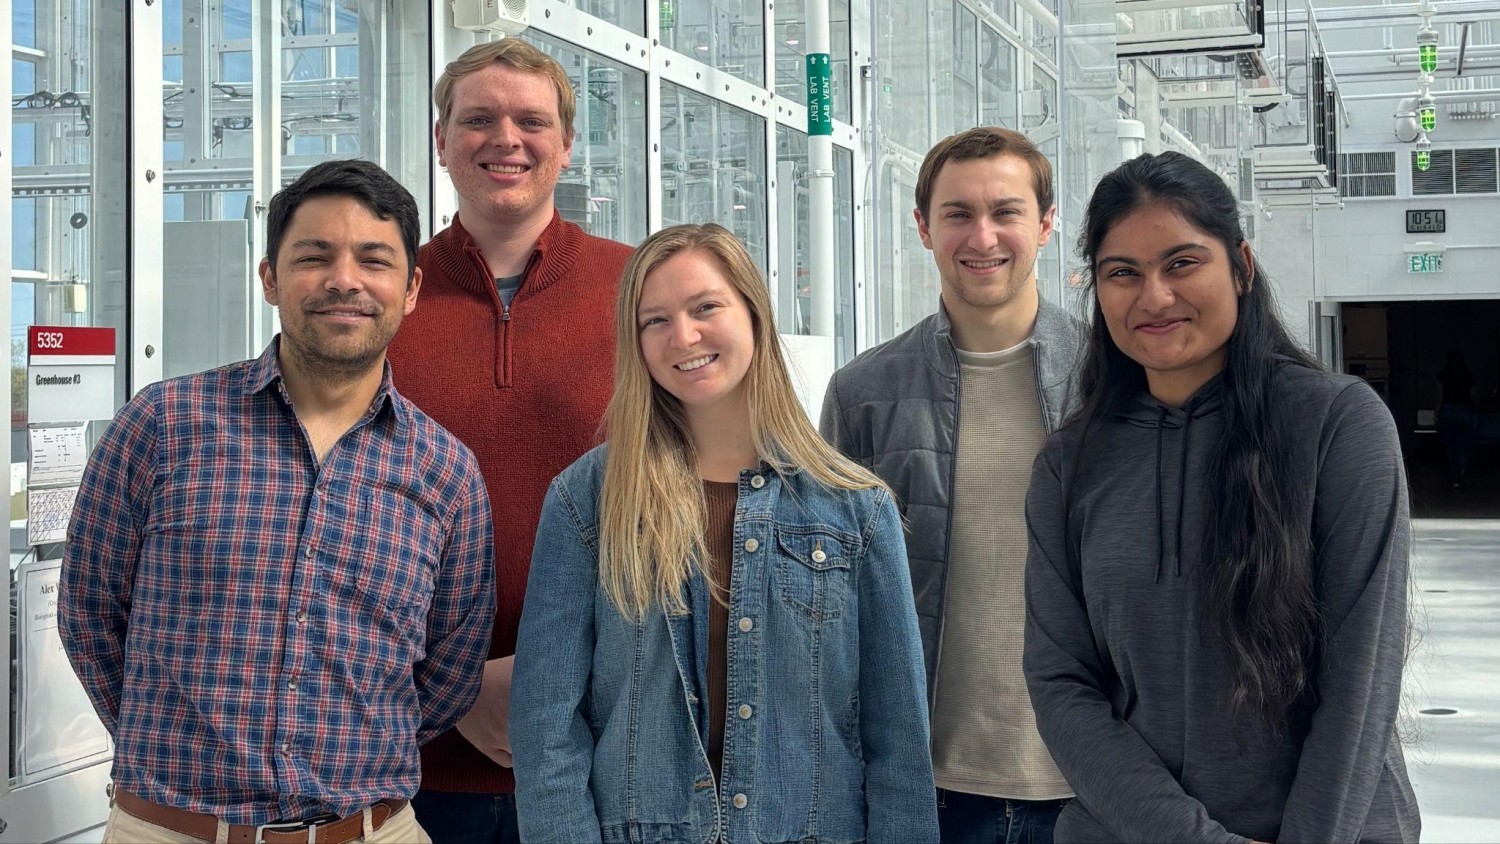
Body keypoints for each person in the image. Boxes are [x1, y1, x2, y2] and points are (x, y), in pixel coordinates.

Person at [59, 159, 495, 843]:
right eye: (314, 257)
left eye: (373, 260)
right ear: (269, 277)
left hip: (370, 832)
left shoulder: (446, 473)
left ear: (411, 288)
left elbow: (449, 672)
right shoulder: (165, 426)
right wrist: (170, 746)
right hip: (171, 830)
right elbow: (89, 612)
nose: (344, 280)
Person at [1023, 151, 1419, 843]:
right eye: (1123, 273)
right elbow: (1062, 686)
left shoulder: (1335, 425)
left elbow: (1362, 682)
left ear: (1240, 265)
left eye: (1182, 263)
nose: (1154, 297)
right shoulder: (1069, 463)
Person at [510, 223, 938, 844]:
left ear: (754, 314)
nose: (683, 336)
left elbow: (898, 744)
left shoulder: (857, 511)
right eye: (654, 320)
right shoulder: (588, 500)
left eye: (706, 307)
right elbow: (547, 726)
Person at [385, 38, 633, 840]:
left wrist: (567, 679)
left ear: (566, 144)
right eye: (478, 119)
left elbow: (692, 493)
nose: (506, 139)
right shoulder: (378, 299)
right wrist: (452, 688)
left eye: (532, 120)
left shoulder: (643, 291)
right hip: (406, 756)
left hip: (610, 740)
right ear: (441, 140)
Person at [820, 126, 1082, 843]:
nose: (983, 235)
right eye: (958, 214)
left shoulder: (1113, 382)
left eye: (1007, 211)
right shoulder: (863, 394)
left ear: (1047, 223)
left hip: (1093, 784)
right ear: (923, 228)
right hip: (925, 789)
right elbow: (829, 601)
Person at [1436, 349, 1478, 488]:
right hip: (1465, 410)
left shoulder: (1443, 376)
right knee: (1464, 442)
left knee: (1450, 443)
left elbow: (1438, 396)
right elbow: (1474, 396)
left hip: (1448, 410)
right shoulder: (1469, 376)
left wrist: (1437, 413)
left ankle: (1454, 471)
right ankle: (1462, 466)